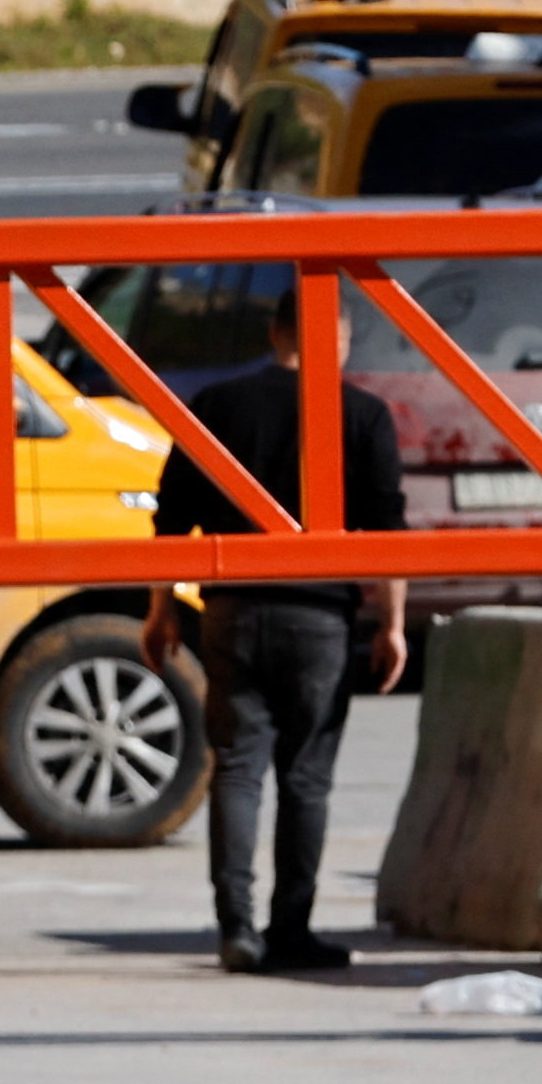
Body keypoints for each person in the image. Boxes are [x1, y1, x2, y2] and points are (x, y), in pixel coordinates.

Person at [140, 280, 407, 974]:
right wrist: (393, 622)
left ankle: (237, 928)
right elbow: (388, 531)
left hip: (233, 609)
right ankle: (292, 927)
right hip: (321, 615)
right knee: (307, 778)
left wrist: (162, 607)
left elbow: (172, 517)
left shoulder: (218, 405)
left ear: (274, 333)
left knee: (237, 769)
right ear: (337, 338)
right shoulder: (364, 414)